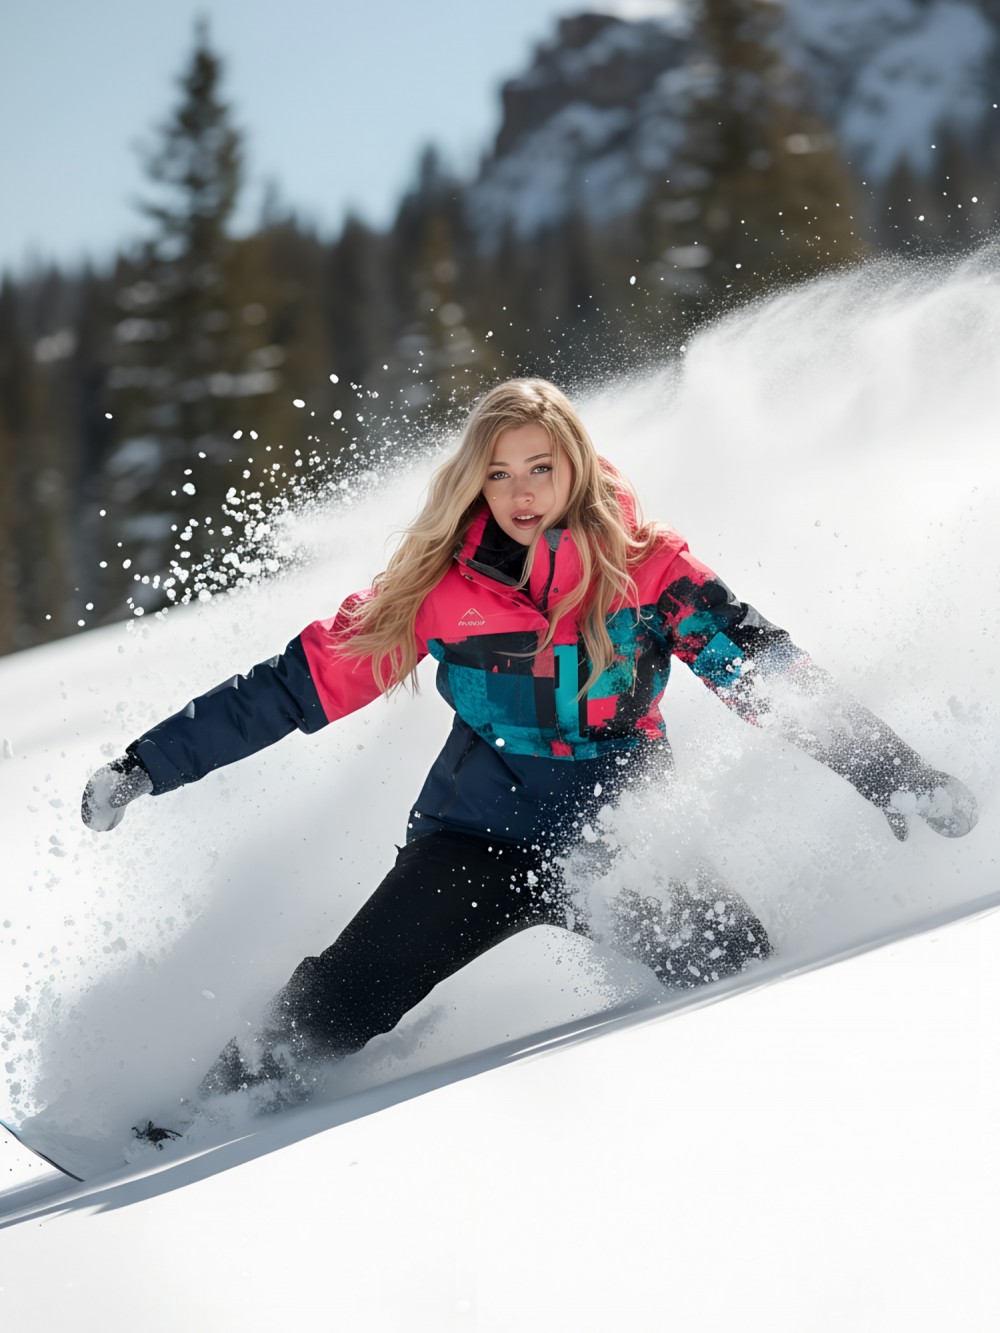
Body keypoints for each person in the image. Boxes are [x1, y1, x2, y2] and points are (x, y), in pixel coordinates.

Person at [82, 378, 977, 1109]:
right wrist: (147, 763)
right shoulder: (438, 589)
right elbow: (294, 685)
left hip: (619, 843)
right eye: (499, 472)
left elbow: (767, 674)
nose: (520, 493)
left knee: (737, 967)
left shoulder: (648, 572)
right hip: (476, 840)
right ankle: (192, 1121)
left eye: (540, 468)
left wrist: (892, 773)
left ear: (574, 466)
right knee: (340, 999)